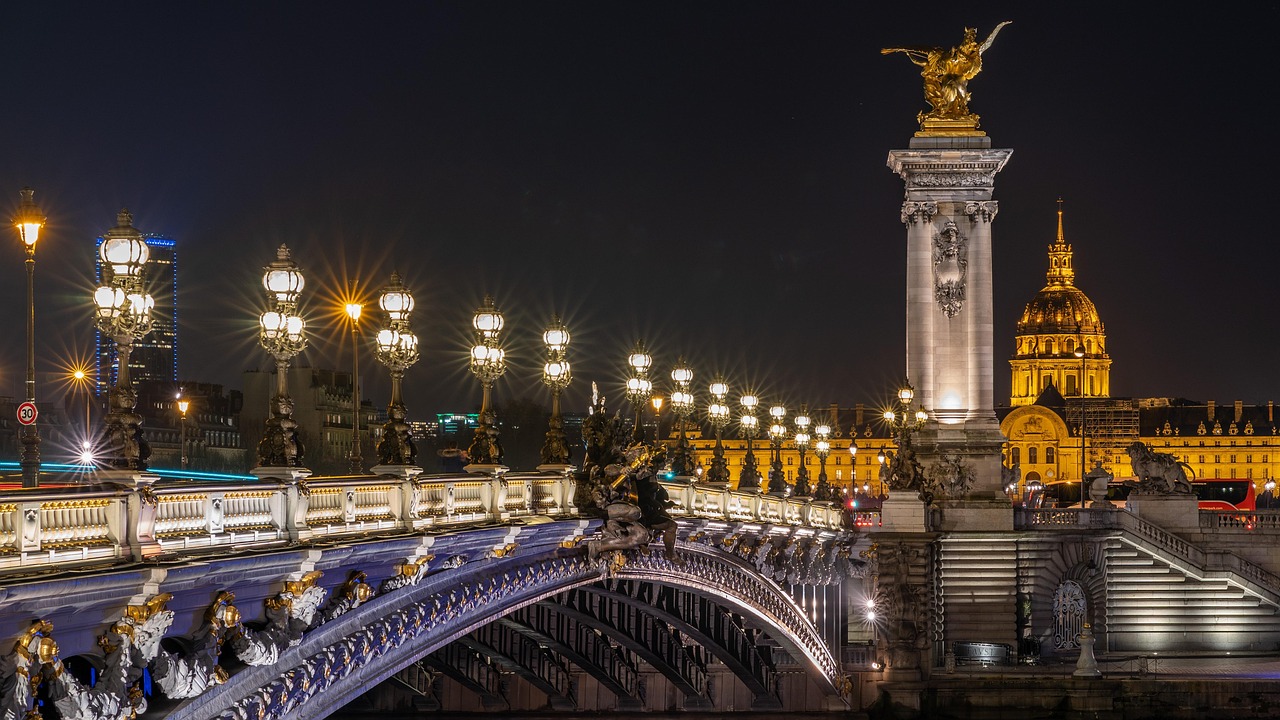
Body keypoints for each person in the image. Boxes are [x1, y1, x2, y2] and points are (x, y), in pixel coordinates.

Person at [882, 22, 1010, 122]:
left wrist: (998, 28)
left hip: (959, 81)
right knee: (947, 92)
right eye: (969, 36)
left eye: (972, 37)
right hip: (947, 81)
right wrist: (899, 48)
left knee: (954, 93)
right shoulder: (944, 55)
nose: (970, 40)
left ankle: (951, 113)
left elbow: (987, 43)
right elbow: (921, 51)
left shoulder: (972, 55)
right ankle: (946, 112)